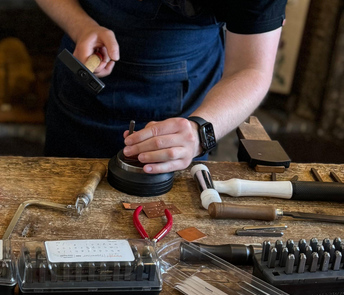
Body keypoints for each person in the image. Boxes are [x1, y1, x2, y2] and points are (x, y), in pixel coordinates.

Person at [37, 0, 286, 174]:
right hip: (79, 96)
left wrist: (199, 131)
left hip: (182, 108)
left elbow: (251, 69)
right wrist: (81, 26)